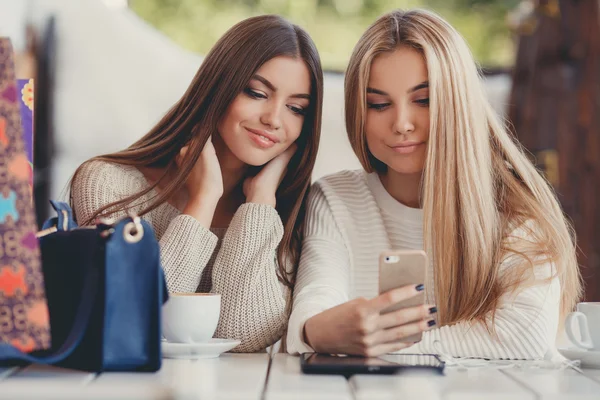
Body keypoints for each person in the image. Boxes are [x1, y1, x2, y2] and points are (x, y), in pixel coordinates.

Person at [287, 9, 581, 360]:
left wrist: (368, 345)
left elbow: (523, 338)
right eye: (378, 104)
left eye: (423, 100)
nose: (402, 123)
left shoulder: (515, 207)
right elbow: (313, 311)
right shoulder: (335, 198)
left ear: (457, 103)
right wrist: (314, 330)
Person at [70, 15, 323, 353]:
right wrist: (202, 202)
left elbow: (245, 335)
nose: (274, 119)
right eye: (257, 93)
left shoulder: (288, 213)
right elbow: (135, 317)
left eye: (296, 108)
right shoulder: (109, 183)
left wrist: (260, 202)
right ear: (219, 86)